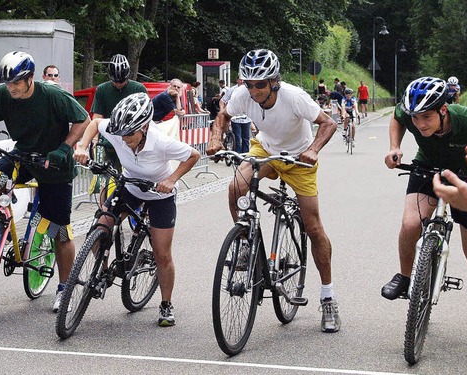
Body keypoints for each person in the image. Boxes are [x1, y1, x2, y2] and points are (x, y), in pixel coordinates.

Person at [207, 49, 341, 333]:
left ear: (274, 82)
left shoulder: (294, 97)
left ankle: (328, 297)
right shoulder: (244, 95)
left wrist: (313, 149)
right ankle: (245, 242)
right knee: (235, 189)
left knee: (313, 227)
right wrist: (216, 139)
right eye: (249, 84)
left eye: (261, 84)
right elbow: (223, 116)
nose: (254, 91)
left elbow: (329, 123)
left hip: (298, 157)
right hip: (265, 149)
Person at [0, 51, 91, 313]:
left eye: (16, 82)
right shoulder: (4, 94)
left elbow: (84, 119)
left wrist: (65, 147)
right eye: (7, 82)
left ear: (30, 78)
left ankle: (65, 289)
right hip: (22, 157)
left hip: (53, 163)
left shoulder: (52, 95)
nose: (11, 87)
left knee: (58, 231)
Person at [74, 93, 200, 326]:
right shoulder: (119, 130)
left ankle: (165, 305)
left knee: (162, 254)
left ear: (144, 128)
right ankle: (100, 271)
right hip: (130, 186)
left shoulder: (161, 142)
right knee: (99, 227)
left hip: (159, 194)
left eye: (130, 135)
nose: (124, 140)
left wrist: (171, 179)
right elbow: (94, 123)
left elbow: (193, 155)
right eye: (120, 135)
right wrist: (82, 146)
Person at [383, 76, 467, 298]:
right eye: (415, 118)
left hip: (465, 178)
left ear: (443, 110)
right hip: (428, 167)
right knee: (410, 222)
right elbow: (397, 117)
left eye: (427, 117)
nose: (420, 124)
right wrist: (394, 147)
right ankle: (405, 278)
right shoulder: (409, 114)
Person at [90, 54, 147, 204]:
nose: (119, 84)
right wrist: (94, 139)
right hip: (109, 141)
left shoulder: (138, 88)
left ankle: (137, 205)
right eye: (115, 81)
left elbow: (146, 118)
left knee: (134, 177)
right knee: (107, 180)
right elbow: (97, 116)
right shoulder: (102, 90)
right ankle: (104, 212)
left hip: (131, 141)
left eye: (122, 81)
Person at [220, 78, 252, 153]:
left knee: (246, 139)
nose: (242, 82)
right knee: (238, 139)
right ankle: (237, 157)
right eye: (240, 80)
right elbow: (222, 101)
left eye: (244, 80)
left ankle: (245, 157)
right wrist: (222, 112)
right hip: (235, 118)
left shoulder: (249, 89)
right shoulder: (232, 90)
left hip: (246, 118)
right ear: (237, 80)